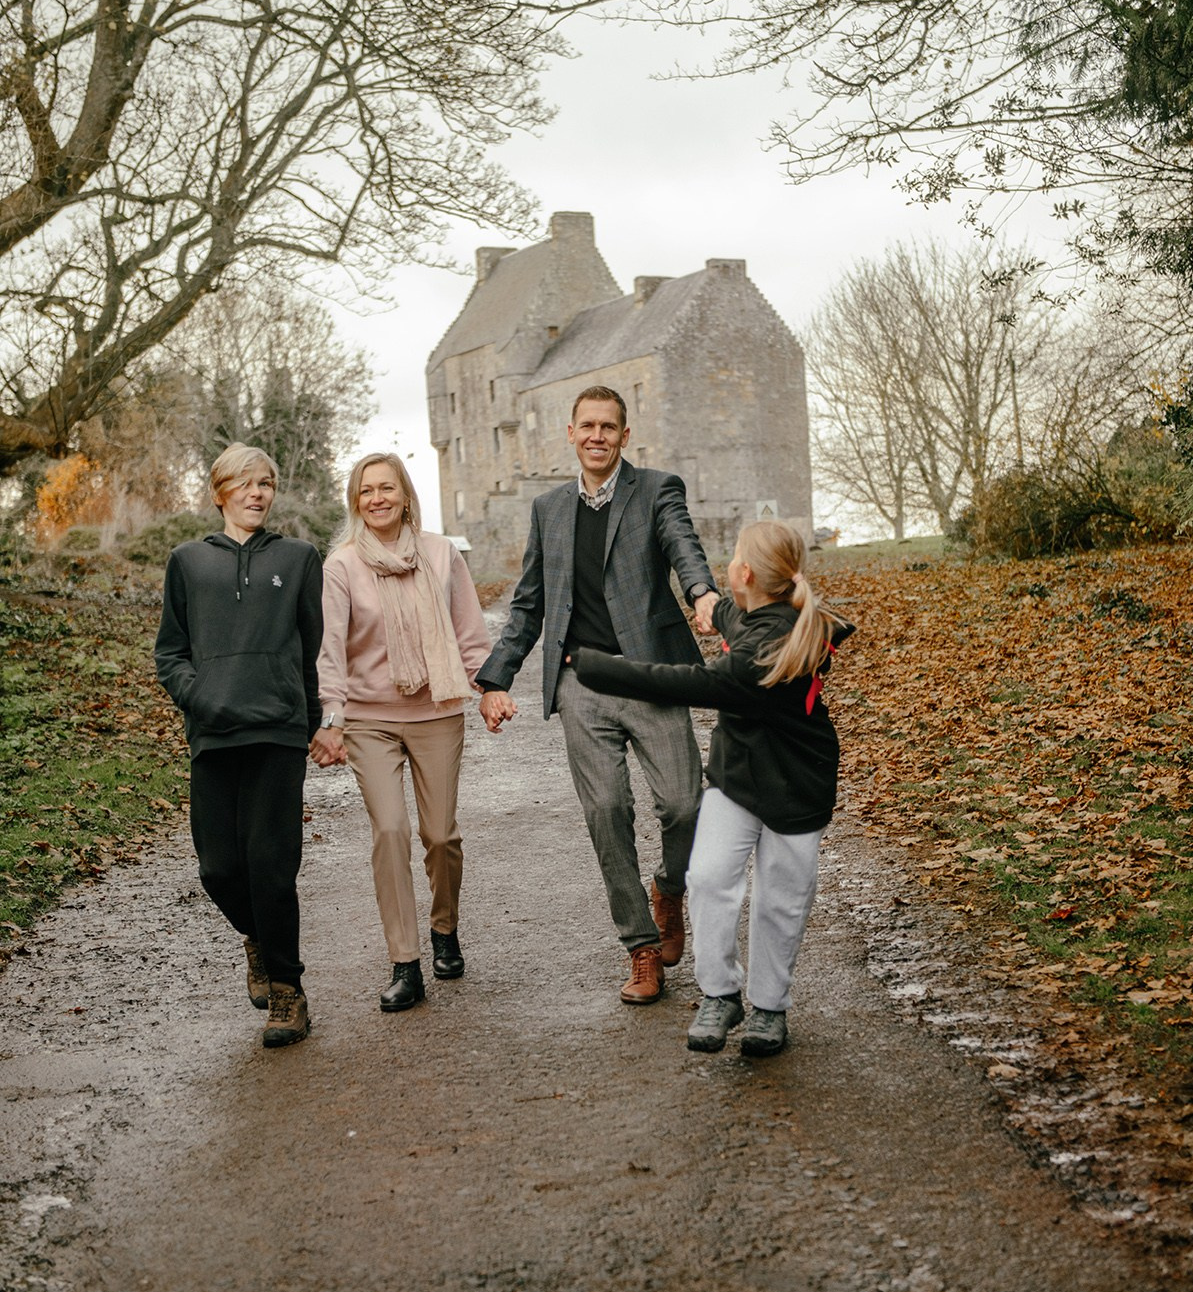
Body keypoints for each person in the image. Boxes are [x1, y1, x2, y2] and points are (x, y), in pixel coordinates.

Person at [476, 385, 719, 1006]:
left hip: (650, 674)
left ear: (624, 435)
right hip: (580, 680)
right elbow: (529, 603)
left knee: (685, 805)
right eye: (587, 425)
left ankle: (669, 888)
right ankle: (641, 947)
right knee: (606, 810)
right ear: (570, 432)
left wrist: (702, 594)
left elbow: (683, 546)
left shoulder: (657, 490)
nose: (597, 436)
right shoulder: (548, 509)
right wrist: (496, 677)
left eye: (608, 427)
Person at [575, 518, 853, 1057]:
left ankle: (769, 1007)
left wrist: (597, 667)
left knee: (781, 901)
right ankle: (720, 994)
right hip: (737, 778)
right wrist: (706, 600)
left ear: (745, 573)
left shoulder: (766, 651)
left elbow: (691, 682)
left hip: (796, 785)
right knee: (706, 878)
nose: (729, 569)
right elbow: (730, 613)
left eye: (733, 561)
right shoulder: (761, 613)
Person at [155, 443, 324, 1048]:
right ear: (220, 491)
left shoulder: (299, 558)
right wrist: (199, 697)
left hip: (278, 730)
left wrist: (314, 720)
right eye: (246, 483)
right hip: (214, 736)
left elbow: (314, 648)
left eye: (266, 484)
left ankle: (287, 991)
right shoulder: (188, 562)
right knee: (220, 868)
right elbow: (170, 652)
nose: (257, 493)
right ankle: (259, 939)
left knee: (271, 868)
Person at [310, 453, 491, 1012]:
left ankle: (445, 929)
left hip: (437, 711)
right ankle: (405, 962)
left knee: (441, 836)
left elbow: (469, 632)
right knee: (390, 830)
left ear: (406, 495)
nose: (377, 499)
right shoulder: (341, 565)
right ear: (355, 501)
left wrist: (491, 688)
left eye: (386, 488)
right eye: (366, 491)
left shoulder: (440, 554)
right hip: (369, 719)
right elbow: (331, 648)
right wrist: (333, 717)